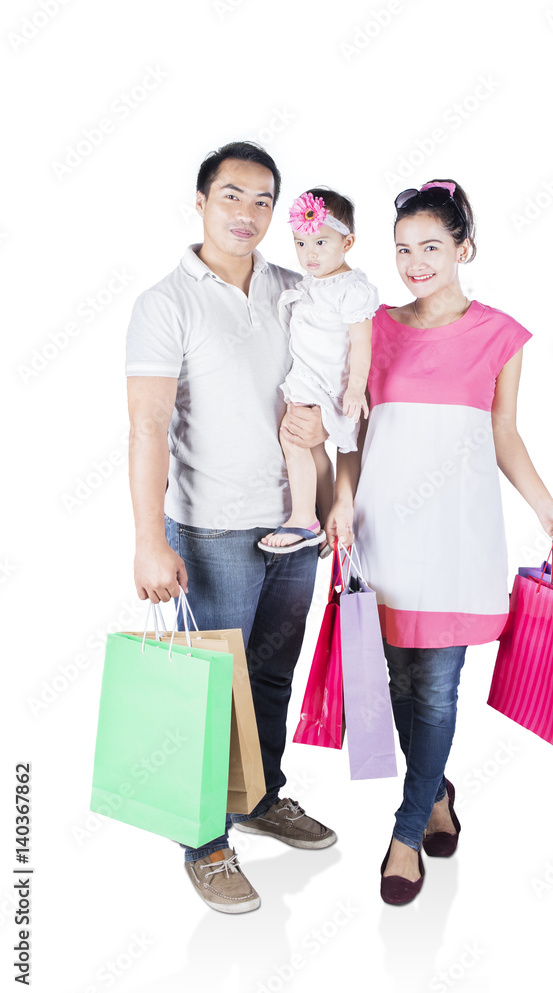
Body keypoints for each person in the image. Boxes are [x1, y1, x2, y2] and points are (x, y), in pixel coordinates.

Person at [325, 179, 553, 905]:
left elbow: (503, 432)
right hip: (382, 529)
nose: (414, 262)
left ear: (463, 248)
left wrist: (544, 504)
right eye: (403, 249)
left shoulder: (500, 334)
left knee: (435, 689)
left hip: (456, 536)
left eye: (430, 247)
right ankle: (435, 791)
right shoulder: (371, 326)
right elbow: (354, 431)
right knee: (395, 681)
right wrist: (341, 501)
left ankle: (406, 831)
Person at [126, 141, 336, 915]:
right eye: (231, 197)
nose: (247, 214)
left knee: (272, 678)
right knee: (210, 692)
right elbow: (147, 426)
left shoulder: (293, 288)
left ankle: (259, 797)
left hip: (295, 525)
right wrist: (151, 539)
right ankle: (204, 841)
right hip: (212, 530)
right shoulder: (166, 302)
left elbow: (333, 385)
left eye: (261, 201)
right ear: (200, 201)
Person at [258, 188, 378, 554]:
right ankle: (327, 519)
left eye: (321, 242)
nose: (309, 254)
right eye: (301, 243)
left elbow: (362, 343)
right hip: (306, 377)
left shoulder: (352, 289)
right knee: (312, 450)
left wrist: (355, 388)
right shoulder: (311, 282)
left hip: (327, 383)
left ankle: (302, 516)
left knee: (293, 438)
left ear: (348, 241)